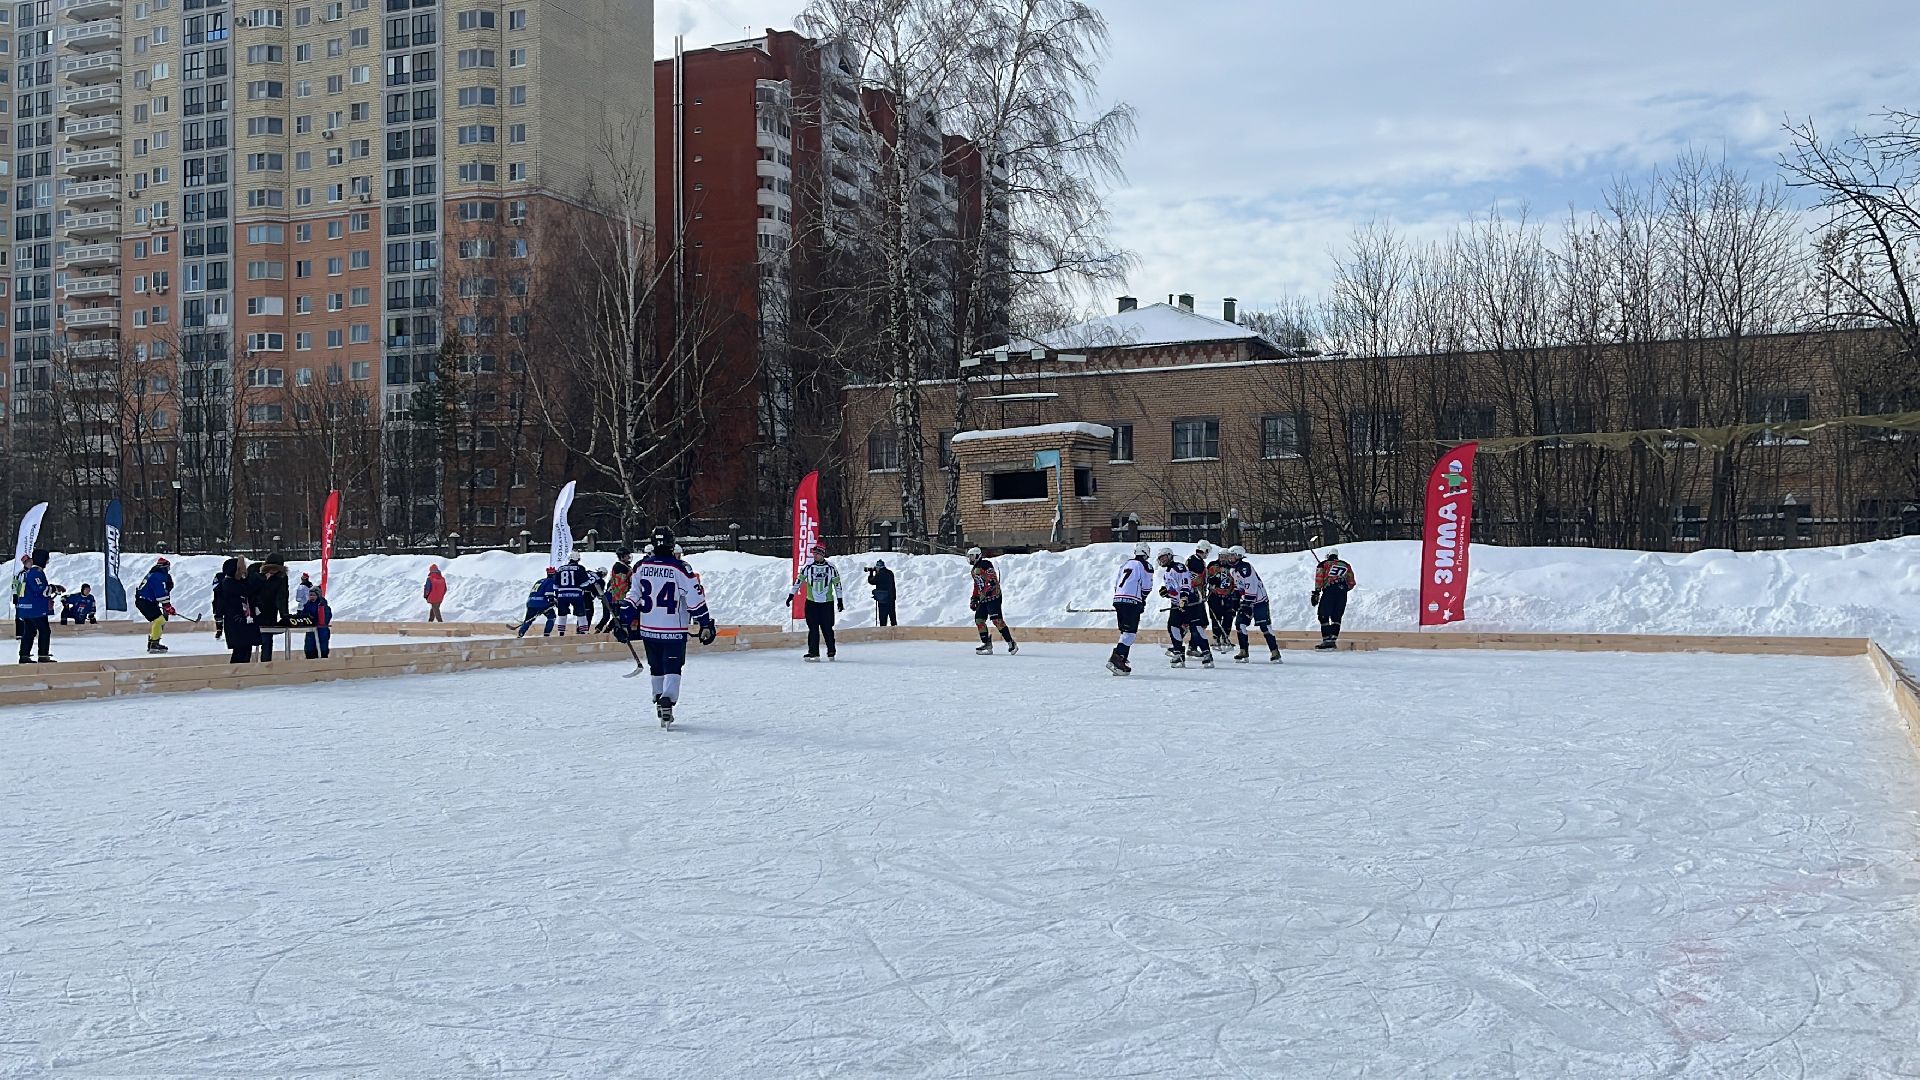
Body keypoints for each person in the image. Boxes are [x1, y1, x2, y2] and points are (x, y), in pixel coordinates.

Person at [614, 526, 716, 728]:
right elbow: (695, 599)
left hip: (649, 629)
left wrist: (623, 620)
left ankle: (658, 697)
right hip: (673, 629)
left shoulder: (641, 566)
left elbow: (633, 597)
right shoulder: (681, 568)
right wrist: (705, 623)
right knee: (673, 667)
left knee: (656, 666)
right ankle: (667, 699)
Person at [1157, 546, 1213, 668]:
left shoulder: (1179, 567)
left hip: (1190, 602)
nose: (1162, 560)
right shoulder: (1167, 572)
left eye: (1164, 557)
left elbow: (1185, 583)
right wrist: (1167, 592)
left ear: (1170, 556)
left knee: (1195, 628)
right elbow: (1174, 588)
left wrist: (1184, 598)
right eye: (1160, 558)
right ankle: (1178, 653)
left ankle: (1207, 654)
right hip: (1178, 604)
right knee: (1173, 626)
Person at [787, 544, 842, 661]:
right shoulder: (808, 568)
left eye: (817, 554)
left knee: (827, 628)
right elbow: (798, 581)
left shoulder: (831, 568)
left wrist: (840, 600)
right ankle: (813, 652)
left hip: (827, 603)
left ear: (822, 554)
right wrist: (791, 595)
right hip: (812, 603)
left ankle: (831, 651)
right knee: (813, 628)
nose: (815, 556)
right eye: (814, 554)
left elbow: (837, 585)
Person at [1226, 546, 1282, 663]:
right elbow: (1239, 587)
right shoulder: (1233, 570)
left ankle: (1275, 652)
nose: (1229, 557)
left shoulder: (1246, 568)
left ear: (1238, 556)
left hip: (1259, 601)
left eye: (1232, 555)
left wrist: (1247, 603)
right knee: (1240, 624)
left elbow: (1251, 587)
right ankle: (1243, 651)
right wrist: (1235, 602)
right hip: (1247, 600)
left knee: (1265, 627)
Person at [1106, 543, 1154, 675]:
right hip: (1132, 601)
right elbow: (1146, 586)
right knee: (1130, 633)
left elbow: (1117, 583)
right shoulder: (1145, 565)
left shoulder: (1125, 564)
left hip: (1118, 599)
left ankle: (1122, 659)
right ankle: (1117, 658)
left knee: (1125, 632)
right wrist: (1142, 600)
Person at [965, 547, 1018, 655]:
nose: (970, 559)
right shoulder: (973, 570)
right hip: (983, 598)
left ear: (978, 556)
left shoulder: (986, 564)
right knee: (979, 620)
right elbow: (977, 585)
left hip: (994, 597)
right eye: (969, 556)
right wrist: (974, 598)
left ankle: (1011, 643)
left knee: (996, 620)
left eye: (972, 556)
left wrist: (989, 587)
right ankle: (986, 644)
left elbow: (992, 578)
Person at [213, 556, 261, 664]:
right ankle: (236, 675)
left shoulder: (237, 583)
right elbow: (247, 590)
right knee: (240, 652)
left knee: (245, 651)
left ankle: (242, 675)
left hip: (243, 622)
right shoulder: (229, 584)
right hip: (236, 622)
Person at [13, 550, 57, 664]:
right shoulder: (36, 573)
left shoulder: (26, 573)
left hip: (26, 607)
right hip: (34, 609)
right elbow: (42, 590)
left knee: (30, 631)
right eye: (47, 559)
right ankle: (43, 655)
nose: (48, 562)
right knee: (44, 630)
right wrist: (55, 588)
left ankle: (24, 655)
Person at [1312, 547, 1357, 650]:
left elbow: (1319, 578)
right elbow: (1351, 582)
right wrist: (1343, 589)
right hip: (1342, 592)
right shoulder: (1346, 565)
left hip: (1330, 590)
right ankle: (1333, 640)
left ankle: (1327, 641)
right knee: (1336, 616)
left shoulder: (1324, 564)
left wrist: (1316, 592)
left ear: (1328, 555)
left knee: (1323, 614)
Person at [250, 554, 291, 662]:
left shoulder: (281, 578)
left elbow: (282, 596)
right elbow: (249, 591)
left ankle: (266, 664)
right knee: (249, 640)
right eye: (271, 569)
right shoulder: (255, 573)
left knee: (267, 639)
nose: (273, 571)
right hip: (254, 610)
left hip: (270, 611)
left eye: (276, 570)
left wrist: (284, 615)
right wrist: (261, 579)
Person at [135, 556, 176, 653]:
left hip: (145, 600)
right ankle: (154, 643)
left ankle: (153, 642)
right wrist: (167, 606)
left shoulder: (153, 574)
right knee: (159, 620)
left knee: (158, 620)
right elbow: (160, 593)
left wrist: (167, 605)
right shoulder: (158, 576)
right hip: (145, 601)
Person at [1204, 546, 1240, 642]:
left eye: (1225, 557)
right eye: (1221, 557)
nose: (1223, 559)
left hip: (1229, 596)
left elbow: (1236, 580)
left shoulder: (1232, 567)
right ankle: (1216, 638)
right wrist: (1212, 580)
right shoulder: (1212, 565)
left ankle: (1225, 637)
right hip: (1215, 596)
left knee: (1229, 617)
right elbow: (1206, 578)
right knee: (1216, 618)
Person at [555, 554, 594, 636]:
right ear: (578, 559)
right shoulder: (580, 568)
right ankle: (583, 632)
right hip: (576, 594)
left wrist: (556, 595)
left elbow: (555, 585)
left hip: (562, 594)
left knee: (562, 614)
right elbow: (585, 583)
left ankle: (561, 633)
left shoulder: (560, 569)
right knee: (581, 614)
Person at [515, 568, 560, 638]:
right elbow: (549, 595)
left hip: (531, 602)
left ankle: (521, 632)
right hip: (541, 603)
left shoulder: (539, 581)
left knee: (528, 620)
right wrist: (554, 602)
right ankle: (546, 634)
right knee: (552, 617)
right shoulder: (551, 581)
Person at [596, 549, 633, 633]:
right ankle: (601, 632)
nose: (629, 557)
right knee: (616, 616)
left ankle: (604, 630)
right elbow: (621, 584)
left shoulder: (626, 567)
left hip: (615, 596)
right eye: (627, 555)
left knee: (613, 616)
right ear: (622, 557)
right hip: (614, 596)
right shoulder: (619, 567)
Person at [298, 586, 333, 659]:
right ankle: (309, 656)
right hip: (311, 630)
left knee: (322, 646)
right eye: (310, 595)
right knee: (309, 646)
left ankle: (323, 656)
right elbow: (303, 615)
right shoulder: (307, 605)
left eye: (314, 595)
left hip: (321, 630)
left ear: (318, 595)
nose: (312, 597)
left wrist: (319, 621)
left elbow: (327, 616)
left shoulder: (323, 605)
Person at [867, 560, 897, 627]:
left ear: (878, 567)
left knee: (883, 619)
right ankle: (895, 632)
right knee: (892, 617)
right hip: (891, 599)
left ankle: (883, 633)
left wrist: (871, 572)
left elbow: (871, 581)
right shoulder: (890, 573)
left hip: (883, 601)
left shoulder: (879, 575)